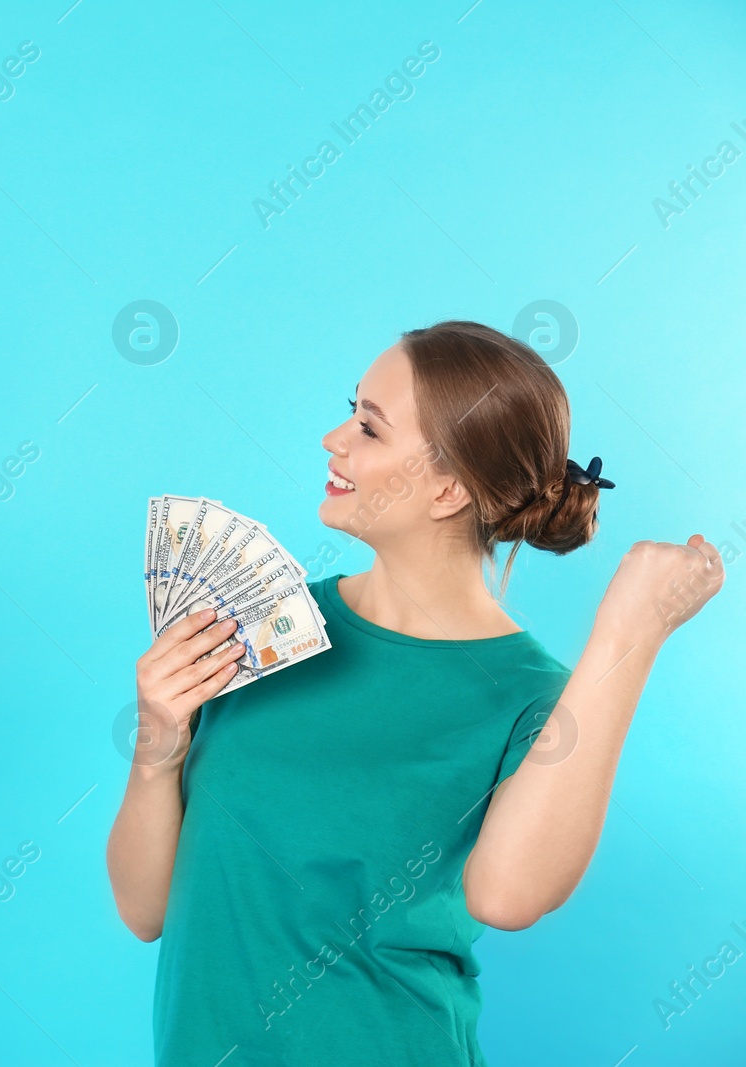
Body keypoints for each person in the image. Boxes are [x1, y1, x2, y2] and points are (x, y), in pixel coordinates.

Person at [106, 320, 724, 1065]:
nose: (334, 438)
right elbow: (145, 909)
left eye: (369, 426)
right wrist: (157, 747)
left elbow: (510, 895)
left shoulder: (537, 700)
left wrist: (633, 631)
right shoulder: (259, 633)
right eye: (351, 410)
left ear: (448, 487)